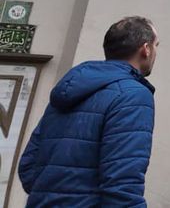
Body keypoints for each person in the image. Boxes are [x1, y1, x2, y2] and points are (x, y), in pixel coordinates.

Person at [19, 17, 159, 206]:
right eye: (156, 45)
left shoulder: (68, 89)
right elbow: (122, 182)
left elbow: (28, 166)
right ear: (146, 49)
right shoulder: (133, 95)